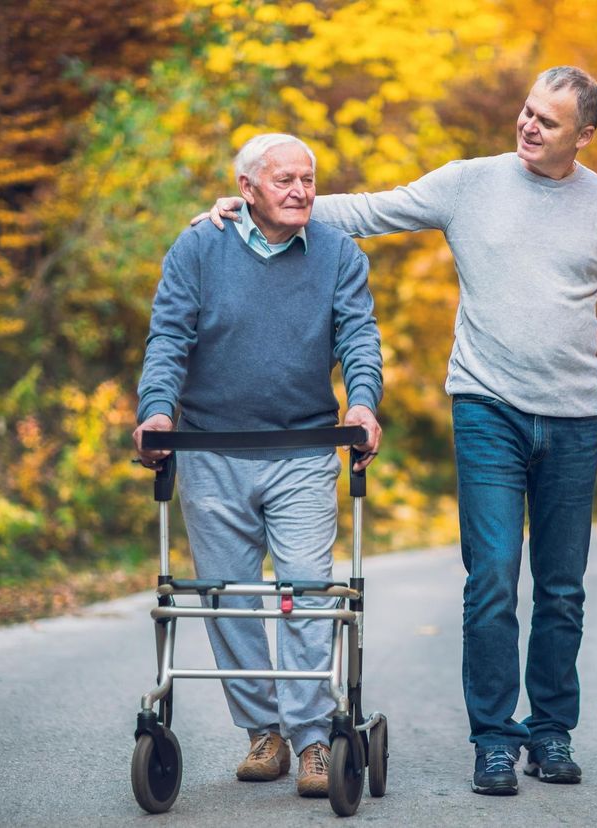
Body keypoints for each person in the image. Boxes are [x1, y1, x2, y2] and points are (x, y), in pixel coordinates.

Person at [199, 66, 597, 796]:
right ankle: (493, 740)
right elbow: (367, 212)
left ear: (584, 134)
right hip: (485, 406)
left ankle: (550, 731)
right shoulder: (469, 183)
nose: (528, 125)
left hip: (576, 417)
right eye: (526, 111)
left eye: (548, 119)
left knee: (562, 587)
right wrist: (260, 203)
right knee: (489, 582)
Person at [134, 133, 383, 799]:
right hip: (210, 449)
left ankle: (311, 743)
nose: (302, 191)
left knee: (304, 591)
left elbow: (359, 335)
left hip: (303, 449)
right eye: (285, 180)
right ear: (247, 189)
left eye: (308, 179)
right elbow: (169, 335)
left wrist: (362, 403)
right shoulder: (198, 246)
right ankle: (262, 734)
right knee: (229, 598)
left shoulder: (337, 254)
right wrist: (158, 411)